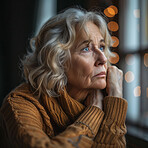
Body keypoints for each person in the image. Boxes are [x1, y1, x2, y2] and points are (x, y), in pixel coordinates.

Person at [0, 7, 128, 148]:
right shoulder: (19, 103)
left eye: (102, 47)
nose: (103, 59)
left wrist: (116, 96)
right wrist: (94, 112)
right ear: (57, 60)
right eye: (86, 49)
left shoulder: (106, 97)